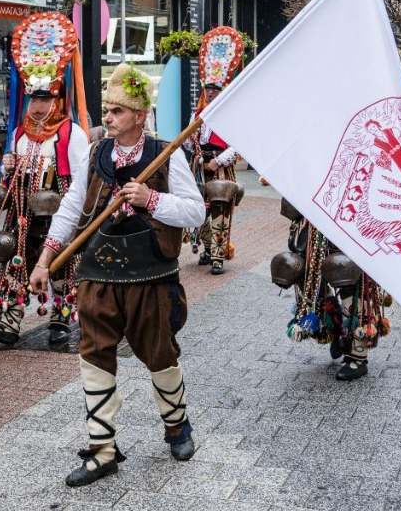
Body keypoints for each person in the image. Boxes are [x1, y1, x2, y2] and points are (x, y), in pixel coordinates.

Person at [29, 64, 205, 487]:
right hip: (98, 273)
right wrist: (44, 259)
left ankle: (177, 425)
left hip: (151, 275)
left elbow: (195, 211)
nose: (107, 118)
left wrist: (151, 198)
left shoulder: (166, 153)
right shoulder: (96, 154)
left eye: (118, 111)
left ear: (140, 115)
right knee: (93, 355)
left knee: (160, 355)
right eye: (107, 110)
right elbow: (72, 208)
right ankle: (102, 449)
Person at [0, 12, 90, 347]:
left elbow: (81, 182)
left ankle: (60, 318)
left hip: (57, 214)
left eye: (45, 99)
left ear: (57, 99)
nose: (38, 107)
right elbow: (11, 174)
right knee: (14, 261)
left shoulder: (72, 135)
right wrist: (9, 168)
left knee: (58, 265)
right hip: (22, 212)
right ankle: (10, 321)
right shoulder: (19, 134)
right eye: (34, 99)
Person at [271, 201, 390, 381]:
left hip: (349, 215)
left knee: (351, 281)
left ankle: (357, 356)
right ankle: (336, 331)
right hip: (314, 221)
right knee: (312, 285)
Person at [189, 27, 243, 275]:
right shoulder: (198, 113)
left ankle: (219, 256)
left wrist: (217, 162)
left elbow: (239, 145)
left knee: (220, 210)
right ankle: (208, 249)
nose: (210, 92)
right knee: (199, 210)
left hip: (219, 169)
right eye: (208, 88)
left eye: (215, 89)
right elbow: (189, 139)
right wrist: (195, 151)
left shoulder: (231, 113)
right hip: (200, 166)